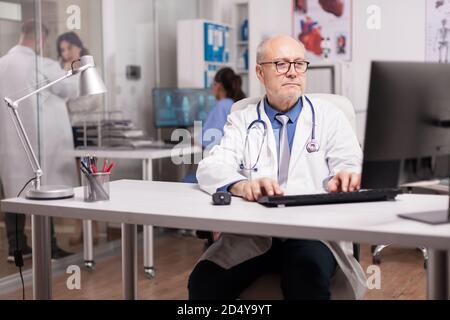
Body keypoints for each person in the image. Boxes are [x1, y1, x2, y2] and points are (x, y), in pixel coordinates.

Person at [189, 35, 367, 300]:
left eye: (299, 64)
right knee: (203, 281)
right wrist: (241, 185)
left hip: (311, 233)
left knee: (305, 279)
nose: (293, 72)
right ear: (261, 72)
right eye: (282, 64)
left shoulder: (330, 116)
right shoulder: (242, 118)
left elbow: (350, 162)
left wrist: (345, 177)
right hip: (254, 233)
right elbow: (211, 165)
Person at [0, 20, 77, 261]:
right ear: (41, 38)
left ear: (22, 33)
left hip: (9, 142)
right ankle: (49, 246)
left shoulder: (1, 64)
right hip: (39, 142)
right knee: (44, 192)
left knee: (15, 194)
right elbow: (69, 90)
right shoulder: (41, 64)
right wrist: (72, 66)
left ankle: (17, 248)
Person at [56, 31, 101, 245]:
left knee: (90, 178)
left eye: (69, 48)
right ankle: (79, 227)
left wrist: (67, 103)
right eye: (62, 50)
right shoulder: (61, 70)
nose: (66, 53)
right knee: (77, 181)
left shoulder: (89, 69)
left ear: (78, 47)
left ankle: (93, 228)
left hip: (87, 129)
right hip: (68, 129)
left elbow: (92, 102)